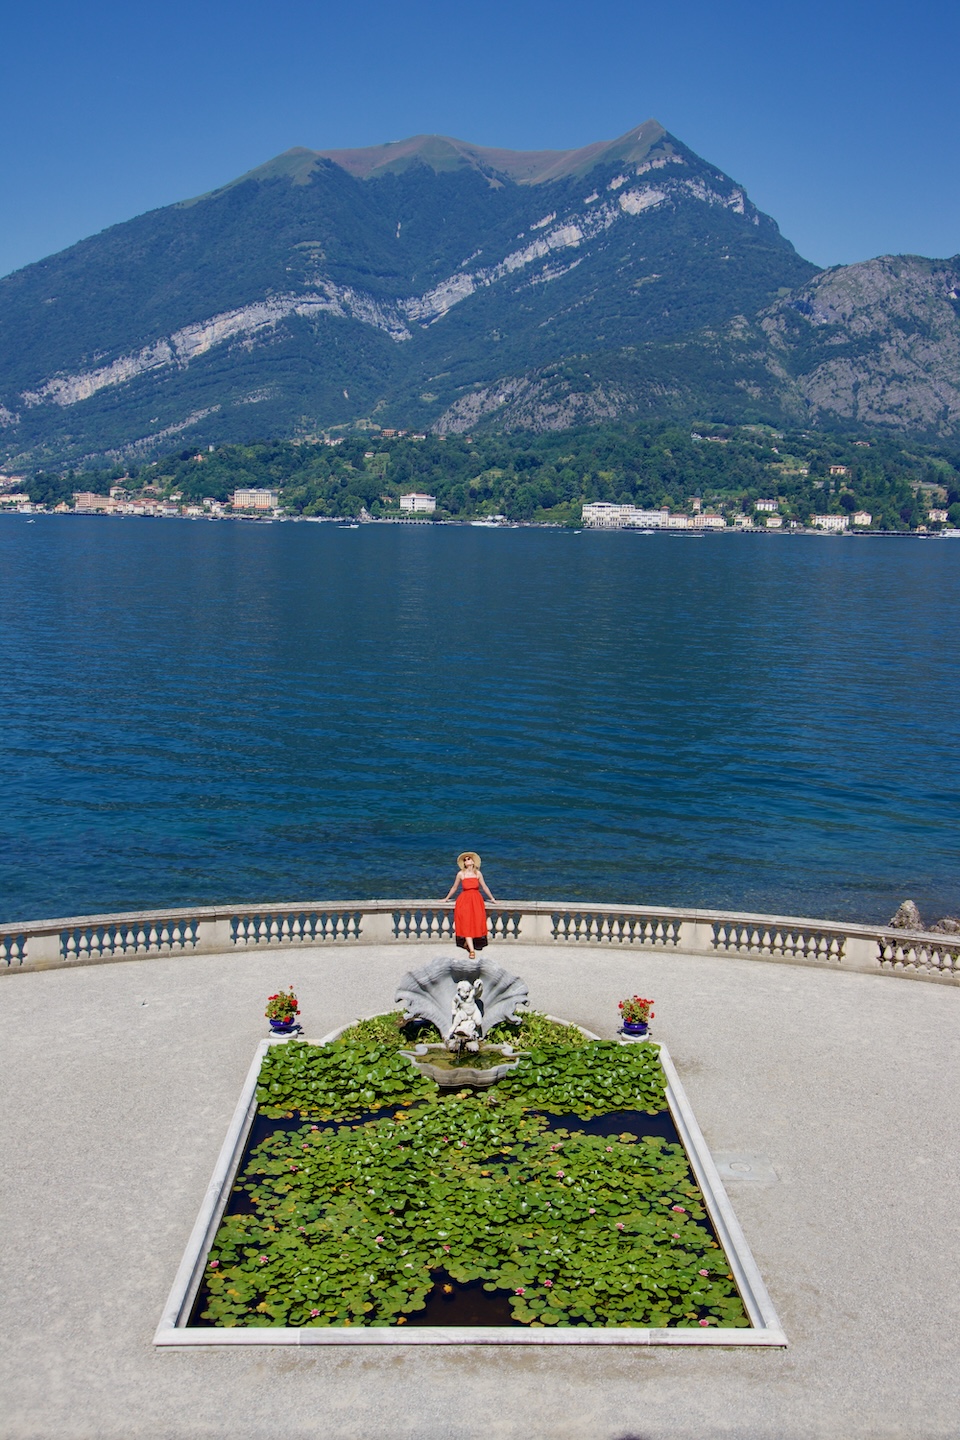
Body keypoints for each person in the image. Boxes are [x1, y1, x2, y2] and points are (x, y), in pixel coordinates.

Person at [444, 851, 497, 960]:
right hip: (464, 901)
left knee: (475, 922)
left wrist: (492, 899)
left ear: (473, 861)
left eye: (468, 859)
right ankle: (472, 951)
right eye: (465, 859)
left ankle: (468, 944)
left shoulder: (478, 873)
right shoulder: (460, 874)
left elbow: (484, 887)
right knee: (467, 923)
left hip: (476, 900)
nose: (467, 861)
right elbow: (454, 888)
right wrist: (446, 899)